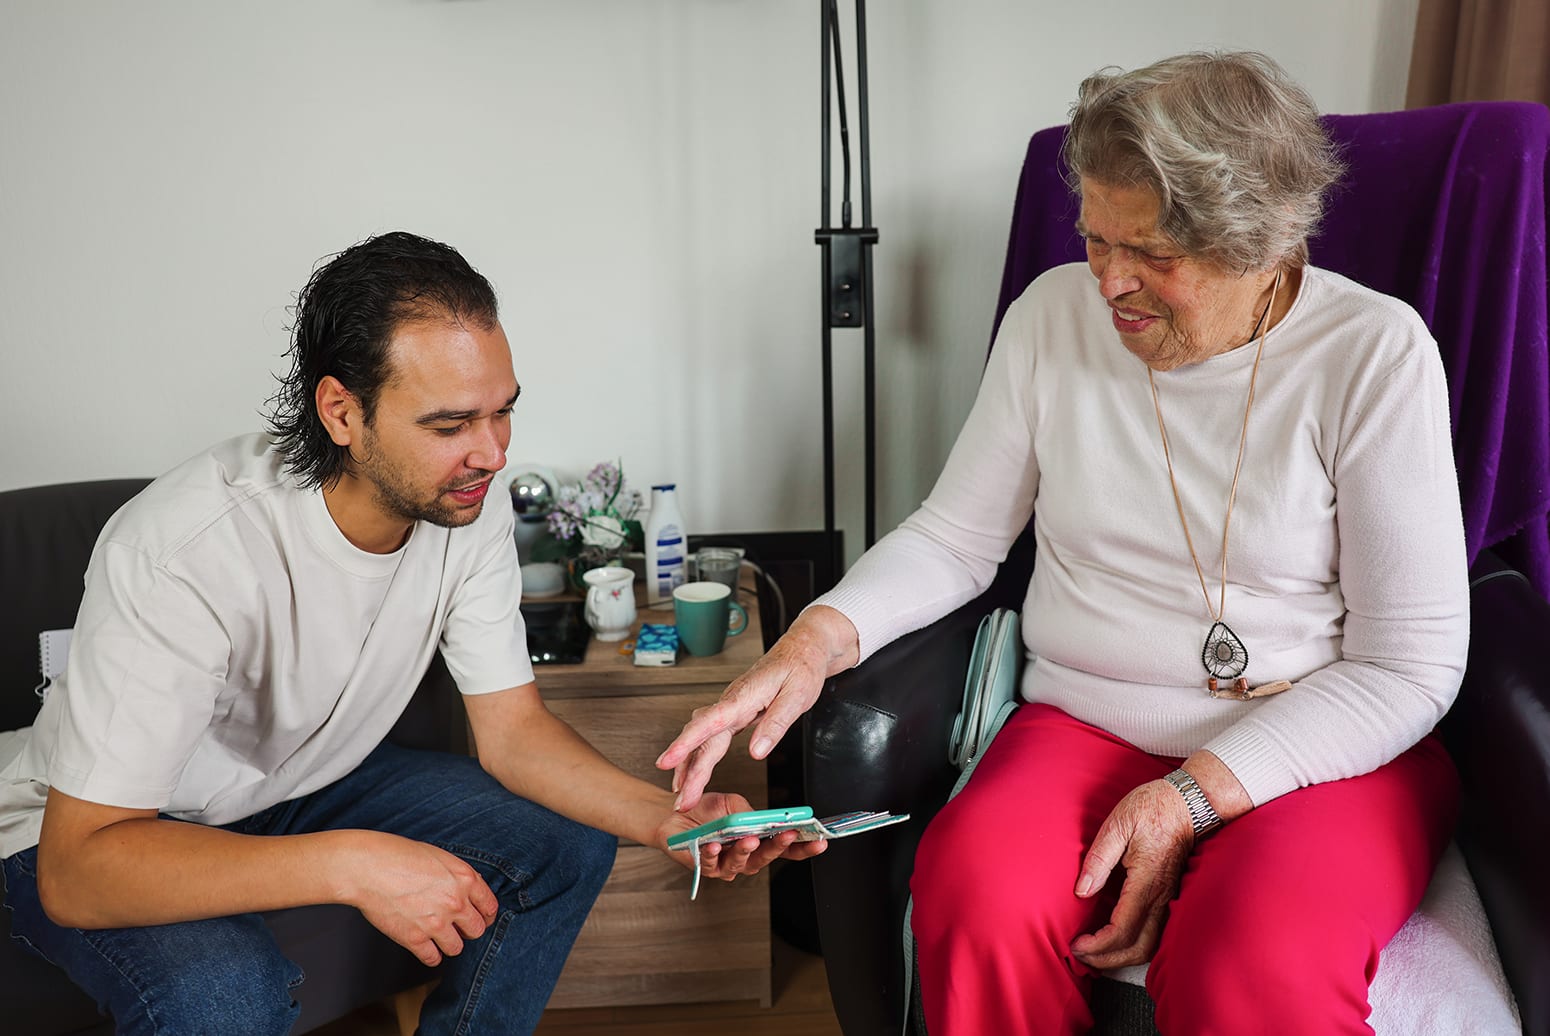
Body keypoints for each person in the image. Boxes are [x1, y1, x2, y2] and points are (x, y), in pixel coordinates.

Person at [659, 51, 1468, 1034]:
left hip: (1320, 744)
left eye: (1150, 256)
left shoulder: (1371, 354)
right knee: (974, 900)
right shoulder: (1049, 318)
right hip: (1085, 723)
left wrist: (1189, 797)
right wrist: (815, 639)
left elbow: (1406, 665)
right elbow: (955, 539)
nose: (1109, 283)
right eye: (1094, 239)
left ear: (1256, 246)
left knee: (1256, 962)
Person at [0, 231, 819, 1035]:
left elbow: (514, 733)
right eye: (449, 424)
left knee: (565, 847)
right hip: (107, 828)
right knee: (227, 994)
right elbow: (81, 871)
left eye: (503, 413)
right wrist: (357, 863)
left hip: (298, 785)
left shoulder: (469, 505)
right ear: (342, 412)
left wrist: (664, 819)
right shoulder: (184, 550)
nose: (491, 453)